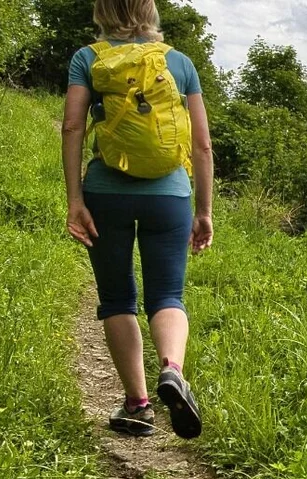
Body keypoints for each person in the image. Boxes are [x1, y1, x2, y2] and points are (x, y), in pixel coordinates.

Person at [61, 0, 213, 438]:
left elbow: (72, 128)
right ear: (151, 12)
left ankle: (138, 404)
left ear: (102, 11)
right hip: (170, 196)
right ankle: (172, 369)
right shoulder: (180, 63)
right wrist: (203, 212)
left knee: (116, 299)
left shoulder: (87, 59)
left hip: (105, 193)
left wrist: (75, 199)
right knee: (168, 294)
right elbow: (202, 146)